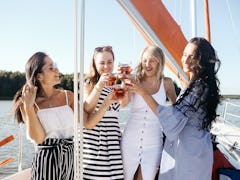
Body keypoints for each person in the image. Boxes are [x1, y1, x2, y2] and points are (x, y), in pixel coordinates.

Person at [128, 37, 221, 180]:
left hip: (190, 154)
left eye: (192, 56)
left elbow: (172, 121)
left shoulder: (200, 88)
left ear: (202, 60)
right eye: (184, 54)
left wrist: (143, 92)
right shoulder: (195, 85)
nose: (185, 59)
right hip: (191, 151)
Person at [12, 52, 114, 180]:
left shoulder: (68, 96)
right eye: (51, 68)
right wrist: (28, 107)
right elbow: (38, 138)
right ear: (39, 76)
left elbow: (88, 123)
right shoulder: (27, 103)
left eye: (55, 66)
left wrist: (106, 103)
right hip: (46, 161)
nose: (57, 70)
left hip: (71, 157)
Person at [120, 45, 177, 180]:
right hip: (130, 140)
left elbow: (176, 110)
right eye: (145, 60)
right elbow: (123, 104)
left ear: (159, 62)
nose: (147, 64)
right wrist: (123, 83)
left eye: (152, 60)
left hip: (154, 142)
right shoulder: (134, 79)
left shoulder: (167, 83)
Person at [83, 46, 128, 179]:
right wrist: (99, 85)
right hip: (96, 138)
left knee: (113, 175)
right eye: (102, 63)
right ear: (95, 64)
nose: (106, 66)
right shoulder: (89, 83)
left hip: (112, 138)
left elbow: (124, 103)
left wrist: (125, 81)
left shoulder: (116, 86)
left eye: (109, 62)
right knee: (96, 175)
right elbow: (87, 108)